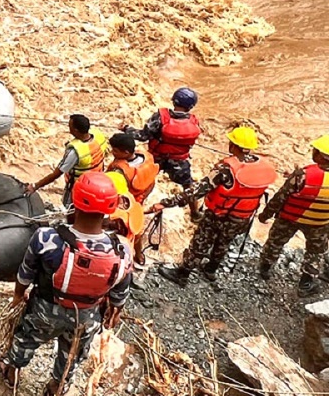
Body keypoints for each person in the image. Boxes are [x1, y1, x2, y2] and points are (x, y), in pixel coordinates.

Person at [0, 172, 132, 396]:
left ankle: (11, 372)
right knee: (72, 355)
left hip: (46, 309)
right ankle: (55, 389)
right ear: (110, 208)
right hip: (87, 315)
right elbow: (119, 295)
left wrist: (18, 296)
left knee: (26, 337)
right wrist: (113, 314)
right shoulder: (122, 250)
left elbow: (25, 274)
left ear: (74, 201)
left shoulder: (46, 238)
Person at [152, 126, 276, 286]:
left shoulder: (225, 169)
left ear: (233, 145)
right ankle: (211, 270)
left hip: (218, 215)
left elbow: (196, 192)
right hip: (242, 218)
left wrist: (165, 203)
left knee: (200, 243)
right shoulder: (263, 167)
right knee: (224, 242)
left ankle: (182, 274)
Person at [256, 134, 329, 296]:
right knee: (315, 252)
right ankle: (305, 284)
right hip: (319, 223)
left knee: (275, 243)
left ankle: (265, 269)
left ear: (320, 155)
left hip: (290, 218)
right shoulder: (301, 174)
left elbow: (280, 197)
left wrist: (265, 215)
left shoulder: (302, 175)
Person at [121, 87, 201, 218]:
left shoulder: (161, 116)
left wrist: (126, 129)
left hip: (156, 157)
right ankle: (195, 213)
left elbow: (143, 136)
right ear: (191, 106)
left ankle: (132, 209)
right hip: (179, 161)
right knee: (188, 186)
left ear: (174, 101)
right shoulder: (194, 121)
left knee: (143, 181)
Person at [26, 115, 109, 208]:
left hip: (80, 189)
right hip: (98, 184)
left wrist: (35, 186)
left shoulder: (75, 152)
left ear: (76, 131)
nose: (69, 129)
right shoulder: (98, 135)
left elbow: (56, 174)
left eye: (70, 127)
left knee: (70, 210)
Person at [106, 132, 159, 205]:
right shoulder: (147, 156)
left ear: (126, 152)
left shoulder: (119, 172)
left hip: (128, 201)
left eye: (115, 151)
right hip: (143, 195)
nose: (112, 152)